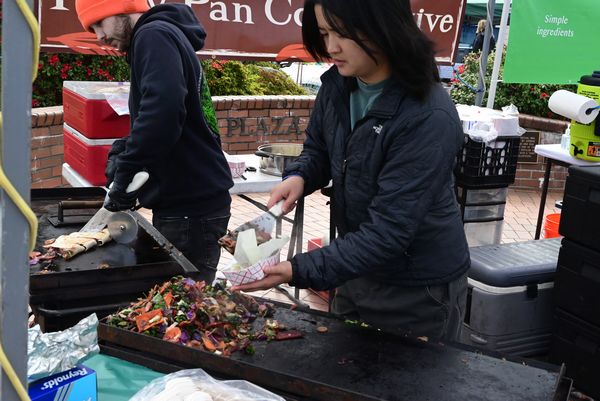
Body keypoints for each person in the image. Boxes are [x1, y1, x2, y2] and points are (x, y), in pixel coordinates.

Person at [234, 0, 470, 343]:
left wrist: (298, 269)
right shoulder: (338, 85)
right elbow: (319, 148)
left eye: (342, 33)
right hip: (355, 267)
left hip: (417, 288)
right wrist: (299, 176)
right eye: (325, 33)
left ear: (383, 27)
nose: (331, 47)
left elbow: (389, 231)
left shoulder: (427, 116)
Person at [75, 0, 234, 282]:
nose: (99, 36)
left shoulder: (153, 35)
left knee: (183, 303)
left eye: (99, 23)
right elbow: (164, 112)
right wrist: (125, 147)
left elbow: (164, 111)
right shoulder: (164, 34)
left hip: (190, 208)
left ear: (124, 6)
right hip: (193, 203)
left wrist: (127, 169)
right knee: (181, 300)